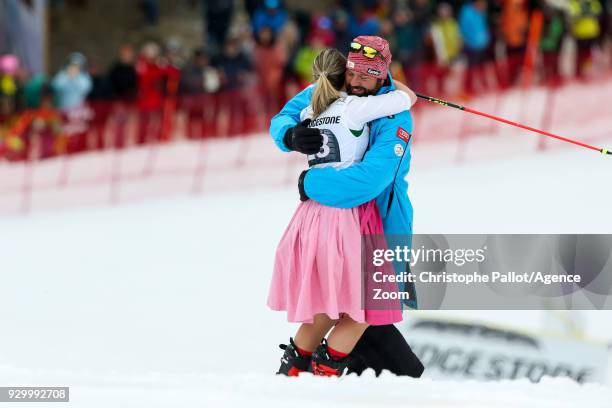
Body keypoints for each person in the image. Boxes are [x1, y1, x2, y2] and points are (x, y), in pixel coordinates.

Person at [269, 36, 424, 378]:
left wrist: (310, 183)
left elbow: (372, 179)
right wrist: (289, 135)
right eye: (351, 73)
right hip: (348, 224)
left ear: (382, 75)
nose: (354, 82)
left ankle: (302, 370)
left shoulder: (391, 115)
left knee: (347, 306)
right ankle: (316, 372)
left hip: (379, 224)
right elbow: (285, 115)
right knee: (364, 311)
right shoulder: (338, 92)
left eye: (365, 77)